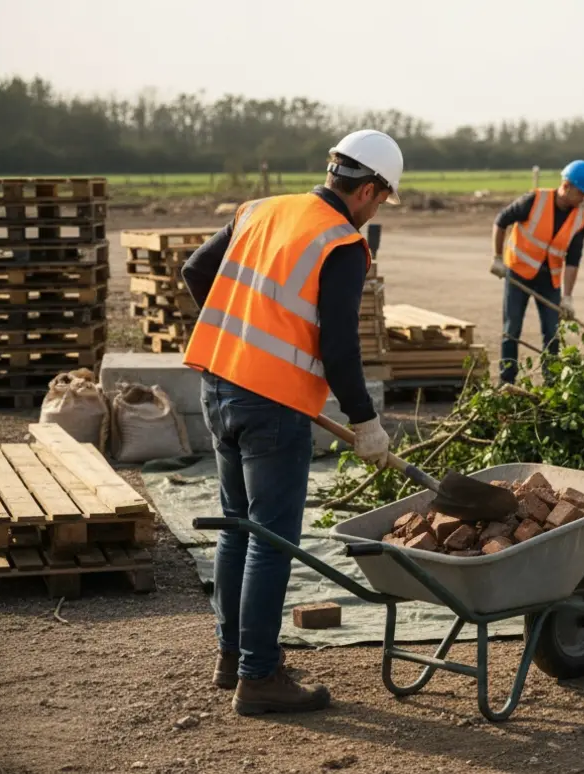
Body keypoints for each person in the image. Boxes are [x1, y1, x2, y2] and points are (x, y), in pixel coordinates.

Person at [179, 129, 403, 716]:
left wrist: (244, 333)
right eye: (382, 198)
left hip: (218, 384)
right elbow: (339, 345)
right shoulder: (342, 243)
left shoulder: (260, 210)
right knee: (271, 543)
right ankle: (259, 677)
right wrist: (365, 421)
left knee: (237, 527)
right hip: (272, 407)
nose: (377, 209)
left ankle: (233, 656)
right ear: (369, 189)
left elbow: (194, 271)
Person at [490, 159, 584, 383]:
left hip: (550, 282)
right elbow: (501, 221)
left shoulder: (580, 218)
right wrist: (497, 258)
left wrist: (567, 297)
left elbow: (573, 260)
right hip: (518, 273)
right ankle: (506, 383)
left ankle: (552, 383)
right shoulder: (534, 200)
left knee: (552, 334)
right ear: (566, 186)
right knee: (512, 329)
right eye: (581, 193)